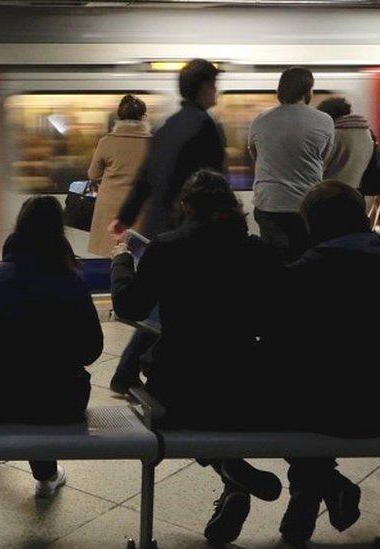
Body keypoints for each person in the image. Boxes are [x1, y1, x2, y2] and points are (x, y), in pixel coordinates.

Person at [110, 170, 285, 546]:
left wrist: (122, 262)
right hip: (245, 386)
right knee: (217, 406)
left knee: (173, 408)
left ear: (187, 207)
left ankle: (234, 473)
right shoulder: (258, 251)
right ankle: (234, 479)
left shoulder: (166, 247)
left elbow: (129, 305)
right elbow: (275, 319)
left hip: (179, 385)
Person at [0, 195, 102, 498]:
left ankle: (46, 472)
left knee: (19, 383)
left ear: (18, 228)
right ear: (58, 232)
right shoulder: (73, 281)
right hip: (62, 403)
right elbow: (92, 350)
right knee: (40, 386)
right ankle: (47, 474)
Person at [264, 181, 379, 546]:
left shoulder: (301, 274)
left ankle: (314, 488)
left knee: (283, 393)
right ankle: (315, 491)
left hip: (318, 410)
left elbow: (276, 348)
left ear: (313, 225)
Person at [107, 59, 225, 396]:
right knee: (170, 305)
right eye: (214, 85)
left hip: (158, 227)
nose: (216, 91)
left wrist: (126, 217)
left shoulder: (166, 125)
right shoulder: (206, 126)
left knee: (164, 300)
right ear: (204, 87)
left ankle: (126, 373)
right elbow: (213, 184)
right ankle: (129, 372)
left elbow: (145, 177)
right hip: (188, 229)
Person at [249, 67, 334, 262]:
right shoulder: (324, 121)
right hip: (306, 205)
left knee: (273, 261)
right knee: (304, 259)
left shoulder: (260, 120)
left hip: (268, 203)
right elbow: (324, 157)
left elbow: (255, 154)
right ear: (308, 91)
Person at [87, 95, 152, 257]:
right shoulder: (153, 143)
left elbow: (93, 174)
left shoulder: (107, 142)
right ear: (143, 117)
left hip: (110, 208)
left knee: (111, 254)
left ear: (119, 116)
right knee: (138, 254)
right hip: (141, 207)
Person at [318, 96, 375, 190]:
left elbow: (320, 165)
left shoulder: (336, 134)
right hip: (355, 190)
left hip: (330, 191)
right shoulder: (367, 132)